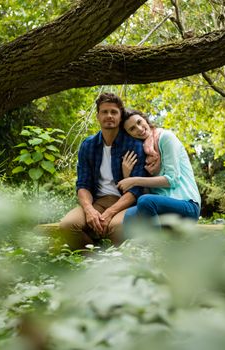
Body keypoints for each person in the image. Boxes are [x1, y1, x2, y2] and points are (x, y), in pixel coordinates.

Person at [59, 93, 146, 249]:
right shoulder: (88, 145)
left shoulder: (134, 145)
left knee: (115, 227)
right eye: (104, 112)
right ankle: (94, 262)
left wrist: (110, 212)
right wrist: (89, 210)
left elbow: (135, 190)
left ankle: (118, 267)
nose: (109, 116)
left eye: (114, 112)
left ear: (120, 117)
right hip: (97, 202)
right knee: (68, 225)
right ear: (97, 116)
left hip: (124, 203)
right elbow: (83, 184)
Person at [117, 108, 201, 228]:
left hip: (187, 205)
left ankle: (156, 245)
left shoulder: (166, 137)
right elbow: (145, 192)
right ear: (129, 134)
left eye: (139, 122)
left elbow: (172, 179)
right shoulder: (143, 151)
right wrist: (127, 175)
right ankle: (139, 246)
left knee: (146, 201)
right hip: (161, 205)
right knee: (129, 215)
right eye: (132, 129)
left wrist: (133, 180)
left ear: (145, 119)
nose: (139, 129)